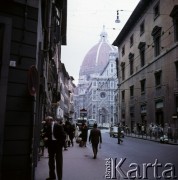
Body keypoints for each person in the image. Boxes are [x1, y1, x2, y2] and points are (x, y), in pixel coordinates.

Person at [44, 116, 66, 180]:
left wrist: (61, 145)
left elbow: (63, 136)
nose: (46, 123)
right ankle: (52, 176)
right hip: (51, 146)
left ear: (50, 120)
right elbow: (46, 135)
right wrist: (46, 138)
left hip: (58, 146)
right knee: (51, 162)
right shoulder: (48, 127)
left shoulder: (58, 126)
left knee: (59, 162)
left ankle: (59, 177)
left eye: (47, 121)